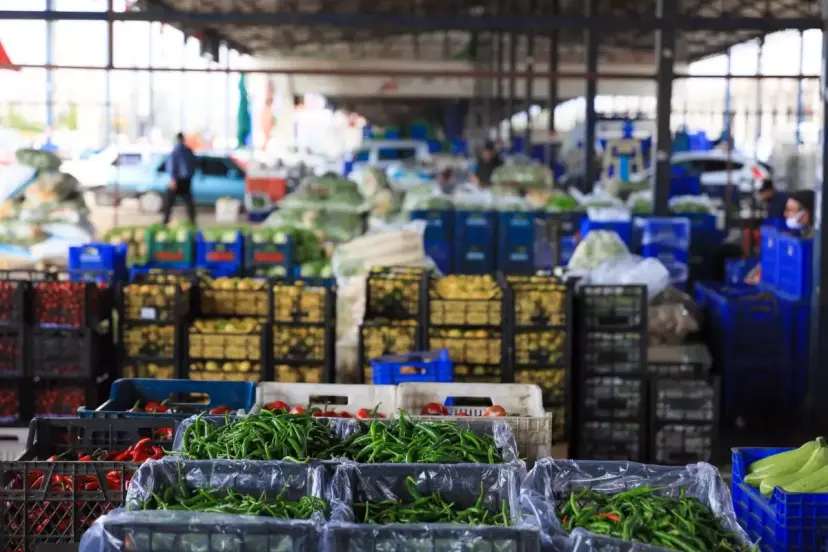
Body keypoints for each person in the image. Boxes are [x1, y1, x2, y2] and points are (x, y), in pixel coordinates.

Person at [162, 132, 197, 225]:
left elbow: (172, 165)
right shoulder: (189, 151)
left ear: (177, 139)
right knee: (189, 201)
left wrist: (173, 179)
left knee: (169, 201)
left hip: (177, 180)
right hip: (187, 180)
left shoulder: (175, 151)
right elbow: (194, 164)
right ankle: (192, 221)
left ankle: (165, 221)